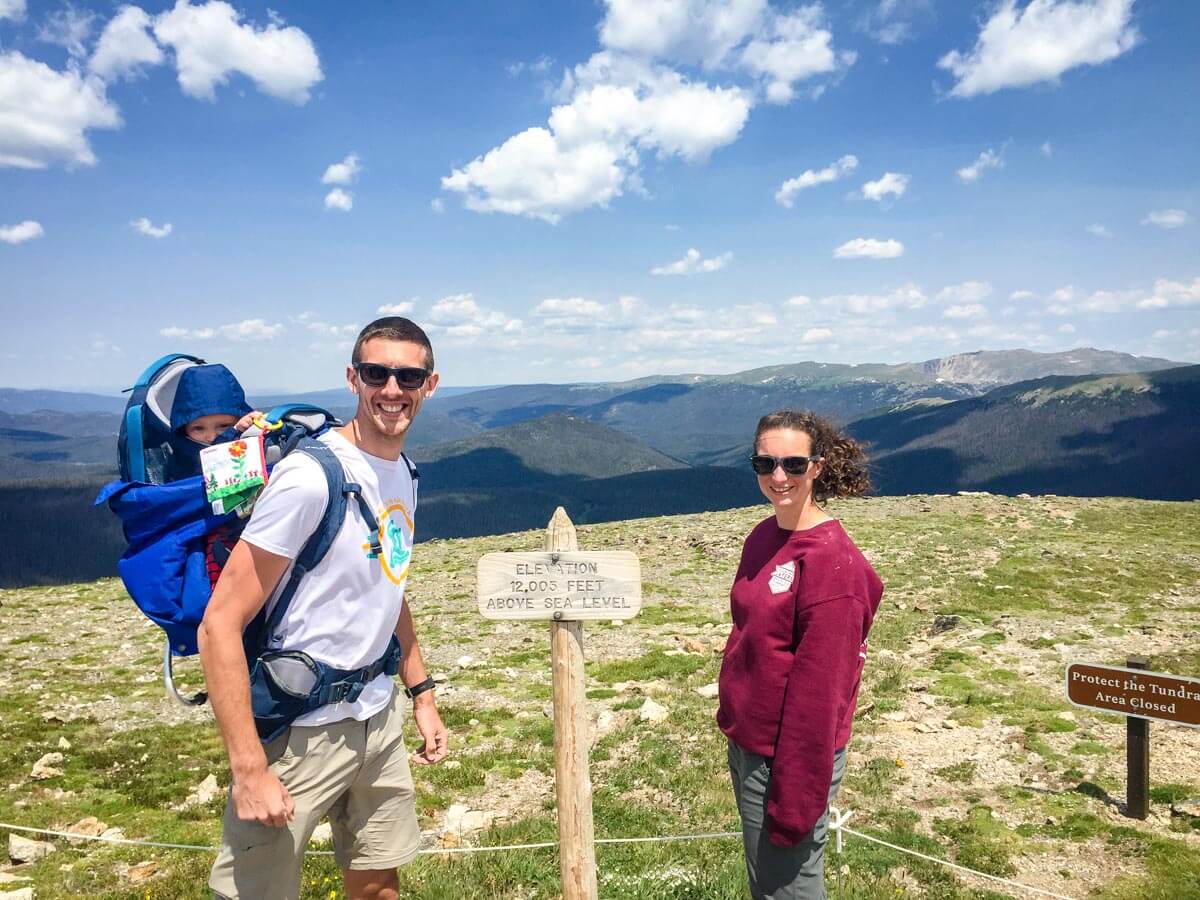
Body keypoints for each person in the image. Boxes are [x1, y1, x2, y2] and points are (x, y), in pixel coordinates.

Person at [200, 316, 449, 900]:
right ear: (353, 378)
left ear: (429, 384)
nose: (392, 389)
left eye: (408, 376)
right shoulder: (310, 478)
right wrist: (249, 770)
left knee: (378, 885)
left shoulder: (404, 473)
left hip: (376, 714)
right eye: (376, 373)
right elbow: (220, 624)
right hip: (299, 730)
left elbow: (389, 586)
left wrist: (422, 694)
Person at [718, 409, 883, 900]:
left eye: (792, 463)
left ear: (817, 467)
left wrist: (795, 802)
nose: (777, 476)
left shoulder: (833, 565)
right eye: (764, 463)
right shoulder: (765, 537)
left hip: (788, 759)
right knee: (766, 880)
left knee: (785, 888)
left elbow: (821, 694)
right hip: (751, 744)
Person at [165, 363, 261, 481]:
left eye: (224, 426)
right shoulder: (181, 459)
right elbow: (212, 463)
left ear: (239, 419)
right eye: (198, 428)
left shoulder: (250, 438)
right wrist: (232, 433)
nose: (210, 437)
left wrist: (258, 428)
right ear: (183, 429)